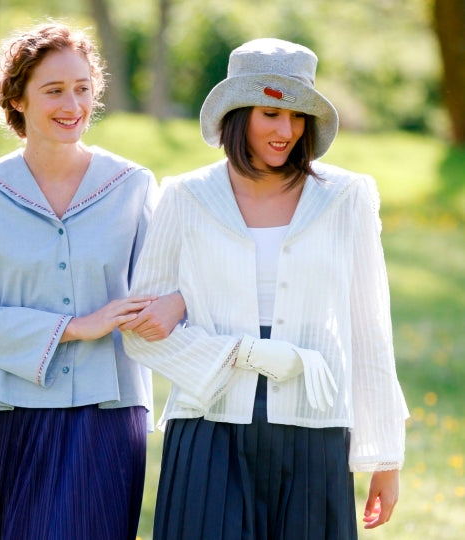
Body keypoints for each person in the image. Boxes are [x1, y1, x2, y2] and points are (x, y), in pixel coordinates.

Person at [122, 38, 409, 539]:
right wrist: (246, 352)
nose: (286, 131)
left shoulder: (346, 197)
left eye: (297, 116)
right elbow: (141, 331)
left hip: (315, 430)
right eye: (271, 113)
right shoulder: (185, 196)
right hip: (208, 426)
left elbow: (369, 328)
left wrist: (384, 454)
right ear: (237, 113)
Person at [0, 22, 184, 540]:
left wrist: (168, 308)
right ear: (17, 98)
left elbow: (170, 292)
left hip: (107, 414)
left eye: (82, 88)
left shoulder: (133, 186)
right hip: (6, 412)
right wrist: (76, 326)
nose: (72, 104)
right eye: (54, 90)